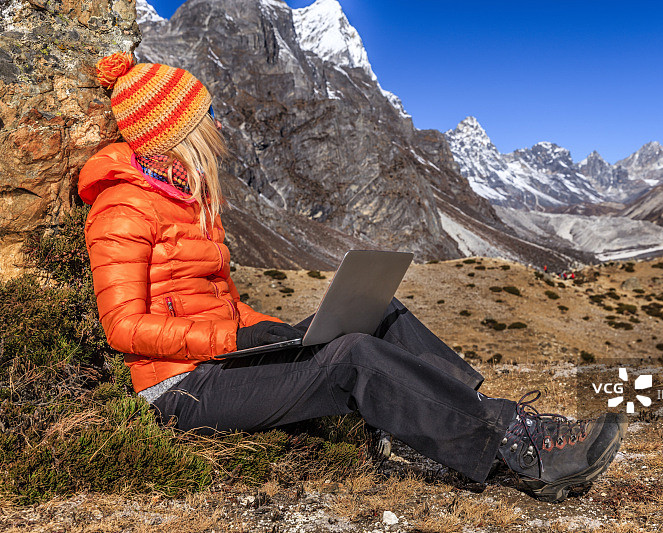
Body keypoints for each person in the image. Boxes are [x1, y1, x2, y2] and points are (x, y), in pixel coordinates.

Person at [78, 52, 625, 503]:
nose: (218, 124)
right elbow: (123, 329)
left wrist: (281, 332)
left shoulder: (188, 203)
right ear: (178, 131)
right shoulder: (121, 211)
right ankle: (521, 452)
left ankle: (476, 418)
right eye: (207, 115)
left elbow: (222, 306)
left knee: (379, 313)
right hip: (181, 389)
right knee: (353, 357)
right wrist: (237, 339)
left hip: (219, 360)